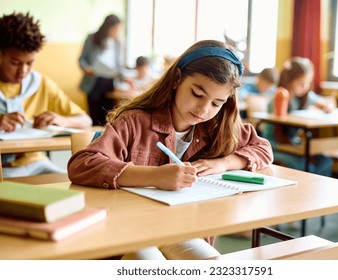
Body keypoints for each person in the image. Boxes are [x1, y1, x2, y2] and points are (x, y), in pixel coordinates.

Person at [68, 39, 273, 260]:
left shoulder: (218, 127)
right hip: (130, 232)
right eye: (197, 94)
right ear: (177, 79)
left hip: (185, 229)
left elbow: (263, 148)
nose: (204, 109)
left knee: (211, 263)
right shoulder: (134, 122)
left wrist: (223, 163)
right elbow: (82, 164)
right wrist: (155, 176)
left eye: (216, 103)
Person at [0, 12, 92, 178]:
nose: (24, 71)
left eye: (30, 63)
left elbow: (86, 121)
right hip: (3, 169)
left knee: (80, 188)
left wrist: (61, 120)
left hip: (36, 164)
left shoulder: (41, 84)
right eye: (15, 63)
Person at [263, 57, 334, 176]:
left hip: (294, 144)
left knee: (325, 162)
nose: (305, 87)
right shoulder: (277, 97)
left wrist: (328, 105)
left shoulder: (305, 97)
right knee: (305, 165)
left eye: (308, 83)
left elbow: (325, 103)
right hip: (275, 145)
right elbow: (276, 134)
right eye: (301, 83)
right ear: (289, 81)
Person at [79, 14, 134, 125]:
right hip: (94, 81)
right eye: (115, 28)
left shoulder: (119, 42)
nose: (117, 31)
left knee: (108, 118)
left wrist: (125, 77)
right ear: (107, 27)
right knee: (95, 117)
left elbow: (119, 66)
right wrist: (86, 69)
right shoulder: (92, 38)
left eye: (119, 29)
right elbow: (82, 59)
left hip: (109, 82)